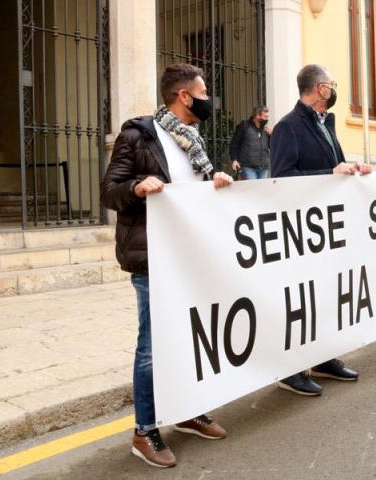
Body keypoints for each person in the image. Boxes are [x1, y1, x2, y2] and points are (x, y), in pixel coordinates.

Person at [101, 64, 234, 469]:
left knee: (190, 339)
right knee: (152, 348)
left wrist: (217, 182)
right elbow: (109, 190)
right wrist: (137, 187)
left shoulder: (192, 140)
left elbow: (195, 191)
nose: (209, 98)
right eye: (204, 91)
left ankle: (188, 411)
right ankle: (144, 432)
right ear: (184, 97)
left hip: (191, 256)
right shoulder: (137, 135)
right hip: (153, 256)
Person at [270, 64, 372, 395]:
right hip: (303, 229)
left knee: (326, 294)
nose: (333, 89)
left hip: (329, 227)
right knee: (301, 299)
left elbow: (336, 166)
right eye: (330, 84)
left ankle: (323, 357)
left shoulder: (326, 123)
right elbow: (282, 178)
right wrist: (330, 171)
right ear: (318, 88)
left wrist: (353, 169)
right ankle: (291, 368)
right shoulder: (289, 127)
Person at [229, 106, 271, 180]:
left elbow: (271, 146)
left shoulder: (266, 129)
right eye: (265, 117)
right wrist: (234, 159)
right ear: (257, 115)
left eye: (267, 117)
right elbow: (234, 144)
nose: (267, 119)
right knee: (252, 190)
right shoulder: (244, 126)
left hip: (264, 168)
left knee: (261, 191)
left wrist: (272, 134)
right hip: (248, 167)